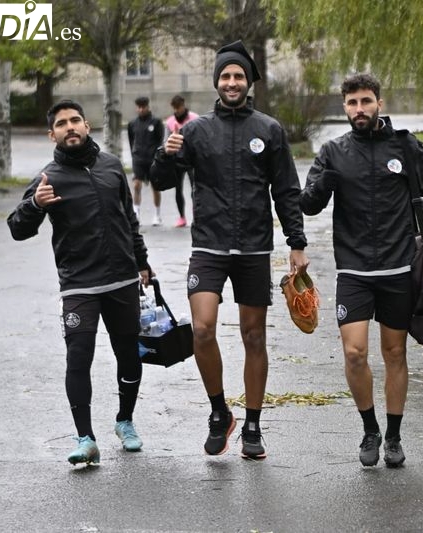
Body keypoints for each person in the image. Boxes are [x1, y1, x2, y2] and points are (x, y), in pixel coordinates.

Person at [150, 41, 309, 460]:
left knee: (253, 336)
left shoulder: (269, 130)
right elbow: (162, 180)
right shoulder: (195, 131)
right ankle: (220, 411)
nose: (232, 82)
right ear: (217, 83)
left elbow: (286, 191)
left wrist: (296, 243)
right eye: (225, 76)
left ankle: (253, 425)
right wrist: (164, 157)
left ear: (249, 81)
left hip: (255, 248)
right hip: (209, 245)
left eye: (238, 75)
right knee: (202, 328)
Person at [299, 73, 423, 468]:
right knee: (354, 353)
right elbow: (308, 204)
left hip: (399, 267)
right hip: (353, 270)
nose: (359, 109)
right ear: (344, 107)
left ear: (379, 103)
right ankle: (370, 429)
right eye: (352, 103)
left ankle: (395, 437)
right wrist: (319, 188)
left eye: (366, 101)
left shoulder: (404, 145)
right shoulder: (332, 151)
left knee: (395, 352)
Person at [7, 100, 154, 466]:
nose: (69, 127)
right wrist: (35, 206)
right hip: (79, 285)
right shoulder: (48, 178)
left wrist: (143, 263)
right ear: (52, 134)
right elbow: (16, 229)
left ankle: (125, 421)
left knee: (129, 357)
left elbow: (128, 219)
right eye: (61, 123)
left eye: (75, 121)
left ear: (87, 126)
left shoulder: (111, 167)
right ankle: (85, 438)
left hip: (122, 279)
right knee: (78, 358)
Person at [127, 96, 165, 225]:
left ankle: (157, 215)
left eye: (143, 107)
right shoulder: (132, 124)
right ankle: (136, 214)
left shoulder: (156, 122)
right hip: (138, 159)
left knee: (155, 187)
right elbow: (131, 140)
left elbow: (160, 141)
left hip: (152, 160)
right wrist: (134, 154)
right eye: (139, 107)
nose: (141, 109)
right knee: (136, 185)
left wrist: (158, 158)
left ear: (148, 107)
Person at [165, 94, 199, 228]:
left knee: (195, 189)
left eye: (178, 108)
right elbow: (166, 141)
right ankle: (181, 217)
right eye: (174, 108)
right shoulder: (170, 122)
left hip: (191, 160)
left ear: (183, 106)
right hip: (177, 160)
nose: (176, 111)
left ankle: (196, 215)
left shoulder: (195, 119)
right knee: (178, 189)